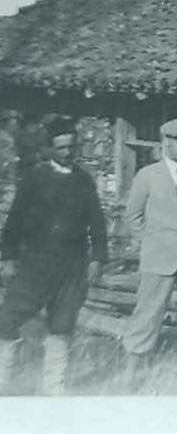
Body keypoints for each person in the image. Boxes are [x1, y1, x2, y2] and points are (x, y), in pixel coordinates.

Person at [0, 116, 107, 394]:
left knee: (62, 324)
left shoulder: (83, 181)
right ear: (50, 149)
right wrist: (8, 258)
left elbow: (97, 223)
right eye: (61, 148)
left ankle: (54, 390)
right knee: (7, 319)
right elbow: (14, 221)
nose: (67, 153)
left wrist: (97, 258)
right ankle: (3, 385)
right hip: (35, 263)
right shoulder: (34, 179)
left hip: (72, 265)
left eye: (71, 147)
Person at [121, 118, 177, 384]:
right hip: (159, 255)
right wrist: (151, 242)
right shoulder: (148, 175)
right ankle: (131, 372)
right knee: (148, 310)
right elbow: (133, 217)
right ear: (166, 142)